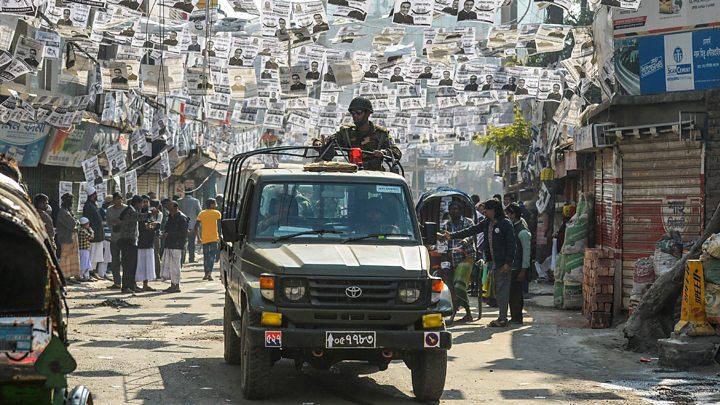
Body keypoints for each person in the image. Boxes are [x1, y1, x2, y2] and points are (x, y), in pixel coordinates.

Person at [441, 199, 515, 325]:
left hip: (503, 263)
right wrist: (452, 235)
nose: (484, 211)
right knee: (498, 290)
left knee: (502, 290)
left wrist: (508, 263)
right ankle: (501, 317)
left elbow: (512, 245)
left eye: (487, 209)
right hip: (493, 262)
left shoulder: (505, 224)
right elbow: (472, 231)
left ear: (494, 210)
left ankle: (503, 319)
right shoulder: (487, 223)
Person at [320, 97, 402, 171]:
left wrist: (384, 153)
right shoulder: (347, 133)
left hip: (376, 177)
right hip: (354, 176)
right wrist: (323, 144)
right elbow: (327, 142)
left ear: (368, 113)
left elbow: (396, 152)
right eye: (352, 113)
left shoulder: (381, 134)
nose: (355, 116)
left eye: (358, 113)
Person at [439, 201, 475, 323]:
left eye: (456, 209)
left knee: (458, 284)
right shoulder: (446, 225)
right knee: (448, 283)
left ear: (460, 211)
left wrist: (465, 240)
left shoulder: (468, 222)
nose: (454, 211)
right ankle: (453, 307)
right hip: (451, 259)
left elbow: (472, 234)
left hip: (466, 257)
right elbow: (442, 240)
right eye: (452, 209)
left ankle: (468, 312)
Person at [115, 195, 153, 293]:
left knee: (132, 265)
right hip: (128, 241)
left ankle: (131, 286)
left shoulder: (131, 211)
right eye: (141, 203)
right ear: (136, 203)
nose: (142, 205)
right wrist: (149, 214)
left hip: (131, 241)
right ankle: (126, 287)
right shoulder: (129, 211)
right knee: (128, 265)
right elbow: (138, 217)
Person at [506, 203, 530, 324]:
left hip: (519, 268)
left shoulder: (522, 232)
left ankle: (517, 317)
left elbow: (526, 253)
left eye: (508, 214)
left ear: (513, 214)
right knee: (512, 294)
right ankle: (514, 316)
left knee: (516, 294)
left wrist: (523, 271)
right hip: (513, 267)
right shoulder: (514, 227)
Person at [161, 201, 188, 293]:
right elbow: (167, 227)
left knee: (175, 266)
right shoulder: (170, 217)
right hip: (170, 244)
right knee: (170, 266)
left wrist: (170, 234)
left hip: (177, 245)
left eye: (171, 208)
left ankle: (176, 286)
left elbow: (183, 233)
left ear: (176, 208)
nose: (169, 210)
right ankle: (173, 284)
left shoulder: (182, 218)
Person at [57, 193, 81, 284]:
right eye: (70, 200)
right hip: (66, 237)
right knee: (65, 257)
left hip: (72, 236)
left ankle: (70, 276)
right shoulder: (62, 212)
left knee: (73, 257)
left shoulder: (68, 211)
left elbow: (76, 221)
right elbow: (73, 224)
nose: (71, 202)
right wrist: (76, 223)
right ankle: (64, 277)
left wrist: (76, 223)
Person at [136, 197, 159, 291]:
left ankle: (146, 284)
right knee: (140, 264)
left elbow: (152, 225)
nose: (145, 204)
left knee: (148, 264)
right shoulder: (139, 214)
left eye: (147, 202)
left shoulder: (151, 215)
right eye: (144, 202)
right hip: (140, 242)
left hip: (149, 242)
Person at [83, 184, 105, 280]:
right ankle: (88, 273)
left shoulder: (93, 205)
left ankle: (93, 272)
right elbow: (88, 221)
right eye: (95, 194)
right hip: (93, 235)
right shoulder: (88, 206)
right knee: (91, 255)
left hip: (98, 235)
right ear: (93, 194)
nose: (97, 196)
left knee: (96, 255)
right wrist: (91, 232)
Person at [197, 198, 222, 281]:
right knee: (212, 256)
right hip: (214, 238)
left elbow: (196, 227)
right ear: (211, 204)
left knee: (206, 256)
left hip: (204, 238)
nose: (216, 205)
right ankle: (209, 273)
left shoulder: (201, 213)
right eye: (215, 203)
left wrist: (198, 238)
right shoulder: (217, 213)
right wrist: (220, 236)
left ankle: (206, 273)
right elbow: (219, 227)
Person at [105, 192, 126, 289]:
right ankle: (117, 282)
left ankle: (126, 282)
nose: (117, 200)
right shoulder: (109, 210)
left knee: (125, 262)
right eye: (116, 199)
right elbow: (108, 222)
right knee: (115, 262)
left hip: (125, 238)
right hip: (114, 238)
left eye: (119, 199)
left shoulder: (126, 209)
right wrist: (114, 227)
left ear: (121, 199)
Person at [177, 190, 202, 264]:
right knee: (191, 243)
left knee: (182, 242)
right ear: (192, 193)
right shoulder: (196, 201)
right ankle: (191, 258)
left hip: (181, 225)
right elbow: (199, 213)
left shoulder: (179, 201)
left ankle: (182, 259)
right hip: (192, 225)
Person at [78, 217, 94, 282]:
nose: (88, 225)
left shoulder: (82, 230)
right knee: (83, 263)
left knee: (87, 263)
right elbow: (91, 237)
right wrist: (92, 231)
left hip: (85, 249)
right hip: (83, 249)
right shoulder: (83, 231)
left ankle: (86, 276)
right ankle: (81, 276)